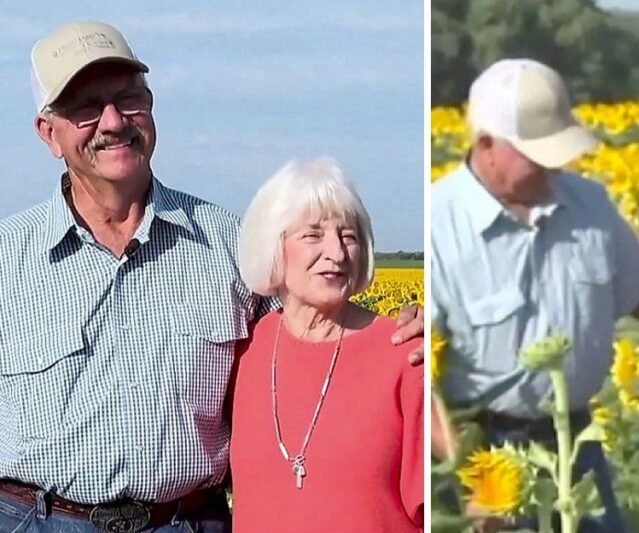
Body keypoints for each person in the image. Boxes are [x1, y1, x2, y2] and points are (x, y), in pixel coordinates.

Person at [0, 21, 423, 532]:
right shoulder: (8, 257)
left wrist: (406, 334)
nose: (113, 121)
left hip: (186, 521)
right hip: (38, 519)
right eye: (86, 107)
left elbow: (314, 339)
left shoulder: (230, 246)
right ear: (49, 133)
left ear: (150, 107)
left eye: (128, 99)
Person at [430, 58, 639, 532]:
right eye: (536, 155)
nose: (553, 166)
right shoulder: (437, 226)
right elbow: (411, 376)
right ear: (486, 144)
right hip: (483, 450)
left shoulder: (588, 204)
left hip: (577, 445)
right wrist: (471, 474)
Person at [229, 159, 423, 531]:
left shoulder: (407, 352)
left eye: (348, 236)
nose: (336, 253)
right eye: (313, 235)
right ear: (273, 246)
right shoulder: (247, 348)